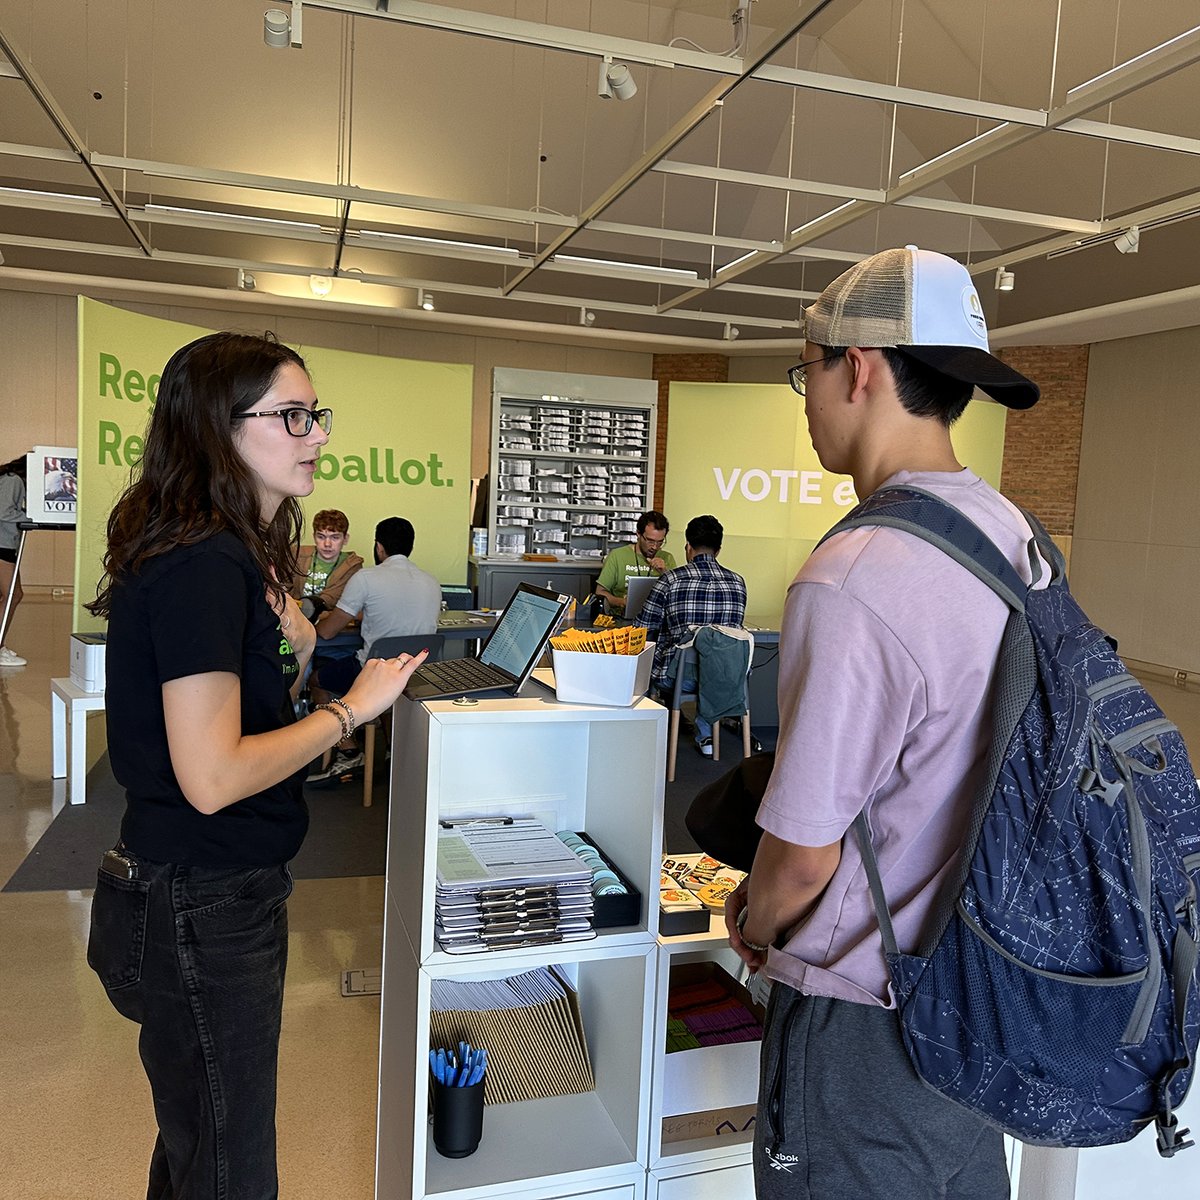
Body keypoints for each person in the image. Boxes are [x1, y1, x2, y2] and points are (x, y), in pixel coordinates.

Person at [723, 246, 1043, 1200]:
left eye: (805, 371)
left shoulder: (856, 574)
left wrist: (753, 920)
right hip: (987, 995)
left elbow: (805, 856)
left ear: (856, 368)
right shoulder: (1016, 539)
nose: (807, 395)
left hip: (866, 1025)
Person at [83, 331, 428, 1200]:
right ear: (217, 429)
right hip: (201, 897)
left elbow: (228, 716)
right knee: (230, 1167)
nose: (316, 435)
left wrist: (297, 642)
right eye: (294, 416)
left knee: (201, 1146)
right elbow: (214, 775)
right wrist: (349, 711)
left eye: (316, 416)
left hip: (209, 891)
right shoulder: (203, 565)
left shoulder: (230, 557)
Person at [309, 515, 440, 777]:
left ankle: (350, 752)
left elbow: (327, 631)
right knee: (391, 685)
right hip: (415, 676)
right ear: (410, 547)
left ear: (379, 547)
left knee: (317, 680)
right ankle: (394, 750)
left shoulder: (366, 577)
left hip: (375, 674)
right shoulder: (432, 582)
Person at [637, 513, 746, 756]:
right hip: (725, 675)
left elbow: (642, 628)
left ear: (688, 547)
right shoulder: (738, 583)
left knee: (649, 659)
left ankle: (640, 735)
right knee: (710, 663)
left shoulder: (671, 580)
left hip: (678, 677)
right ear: (718, 550)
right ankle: (706, 737)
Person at [594, 509, 676, 614]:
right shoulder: (617, 556)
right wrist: (623, 602)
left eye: (660, 542)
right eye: (650, 541)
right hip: (621, 618)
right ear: (638, 534)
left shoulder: (667, 558)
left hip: (656, 620)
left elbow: (676, 596)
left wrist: (665, 572)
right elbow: (600, 593)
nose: (655, 547)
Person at [290, 507, 363, 618]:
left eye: (335, 537)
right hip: (292, 618)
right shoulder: (297, 555)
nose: (327, 544)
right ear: (314, 537)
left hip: (327, 622)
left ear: (345, 539)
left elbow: (332, 599)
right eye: (321, 537)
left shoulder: (352, 566)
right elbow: (283, 588)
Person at [0, 455, 27, 667]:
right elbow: (5, 512)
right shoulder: (14, 480)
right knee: (12, 595)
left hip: (5, 544)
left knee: (12, 595)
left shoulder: (8, 478)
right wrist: (32, 518)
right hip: (2, 545)